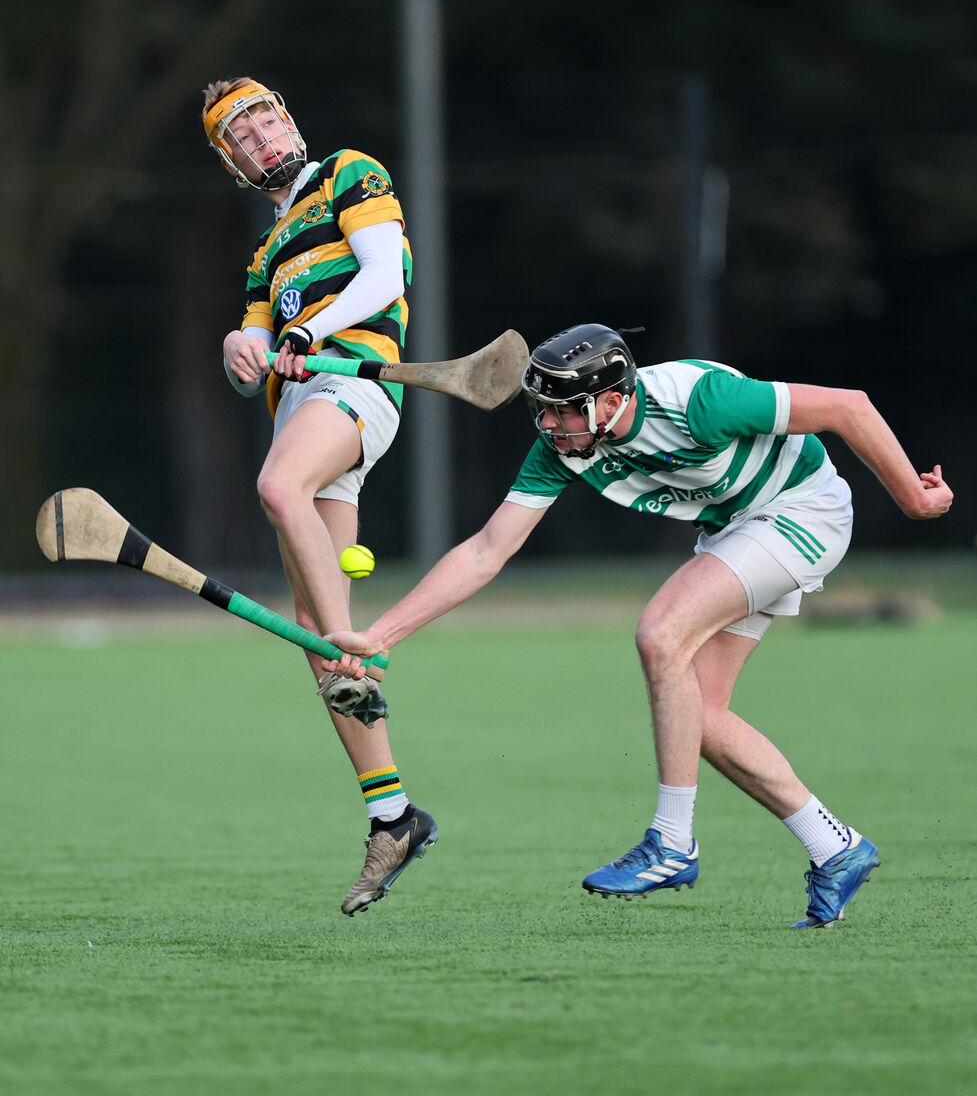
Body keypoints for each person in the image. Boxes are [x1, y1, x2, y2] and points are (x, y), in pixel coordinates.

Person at [326, 323, 953, 928]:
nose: (548, 424)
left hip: (801, 509)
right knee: (697, 716)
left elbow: (850, 406)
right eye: (541, 409)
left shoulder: (701, 401)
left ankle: (673, 843)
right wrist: (381, 635)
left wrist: (914, 498)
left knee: (661, 634)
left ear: (613, 398)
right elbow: (488, 551)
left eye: (563, 410)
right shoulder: (562, 448)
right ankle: (835, 847)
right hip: (736, 530)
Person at [202, 77, 437, 916]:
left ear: (291, 122)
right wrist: (244, 345)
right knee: (311, 634)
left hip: (357, 389)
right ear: (232, 164)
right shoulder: (265, 256)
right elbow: (258, 352)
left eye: (267, 119)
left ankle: (350, 645)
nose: (261, 138)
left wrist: (311, 332)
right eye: (242, 135)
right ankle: (393, 814)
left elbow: (384, 274)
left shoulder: (348, 173)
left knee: (276, 488)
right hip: (299, 408)